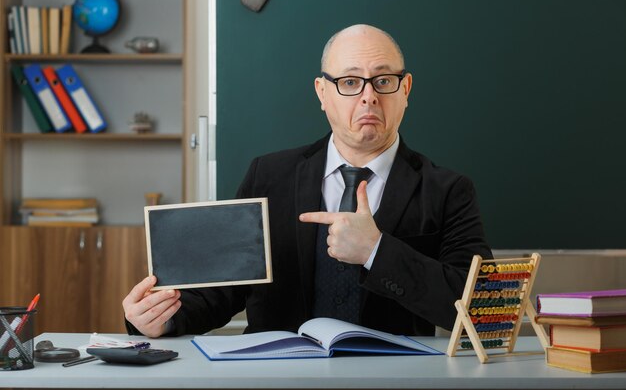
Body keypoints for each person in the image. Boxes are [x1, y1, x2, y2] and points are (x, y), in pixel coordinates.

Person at [123, 24, 492, 338]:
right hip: (282, 378)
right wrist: (161, 319)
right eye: (350, 81)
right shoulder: (267, 176)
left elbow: (481, 309)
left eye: (383, 81)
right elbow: (221, 294)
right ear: (322, 93)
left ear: (405, 89)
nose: (369, 97)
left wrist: (376, 251)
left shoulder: (448, 190)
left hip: (392, 381)